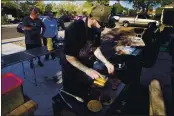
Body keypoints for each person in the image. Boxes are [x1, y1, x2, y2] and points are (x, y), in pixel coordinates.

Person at [62, 5, 115, 100]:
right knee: (74, 97)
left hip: (86, 64)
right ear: (93, 18)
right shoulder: (74, 28)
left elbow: (95, 48)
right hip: (72, 68)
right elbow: (69, 57)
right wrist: (87, 70)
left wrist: (106, 62)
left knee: (86, 92)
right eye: (102, 24)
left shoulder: (96, 30)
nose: (103, 28)